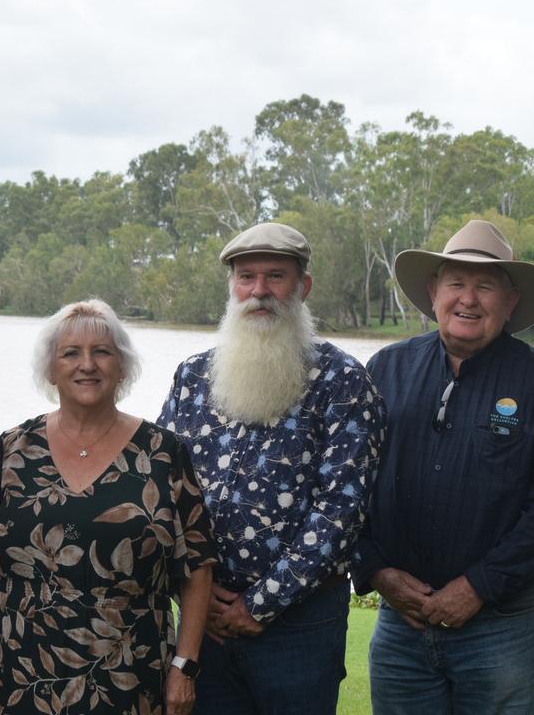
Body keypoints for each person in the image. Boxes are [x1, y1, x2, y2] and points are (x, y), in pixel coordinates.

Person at [352, 220, 534, 714]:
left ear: (510, 302)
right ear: (433, 291)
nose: (468, 299)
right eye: (456, 283)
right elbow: (347, 485)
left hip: (501, 627)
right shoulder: (384, 371)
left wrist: (478, 586)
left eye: (485, 286)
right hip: (402, 623)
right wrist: (375, 570)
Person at [157, 222, 386, 715]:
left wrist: (258, 605)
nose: (259, 291)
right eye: (246, 277)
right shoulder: (193, 376)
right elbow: (163, 489)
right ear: (232, 288)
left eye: (275, 277)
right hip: (203, 621)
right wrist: (194, 592)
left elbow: (341, 510)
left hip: (300, 625)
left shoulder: (343, 380)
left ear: (303, 287)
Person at [0, 299, 215, 715]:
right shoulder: (12, 450)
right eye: (71, 353)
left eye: (102, 352)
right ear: (50, 368)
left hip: (133, 675)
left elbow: (197, 565)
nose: (87, 365)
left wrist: (184, 666)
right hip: (25, 671)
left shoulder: (162, 453)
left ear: (121, 366)